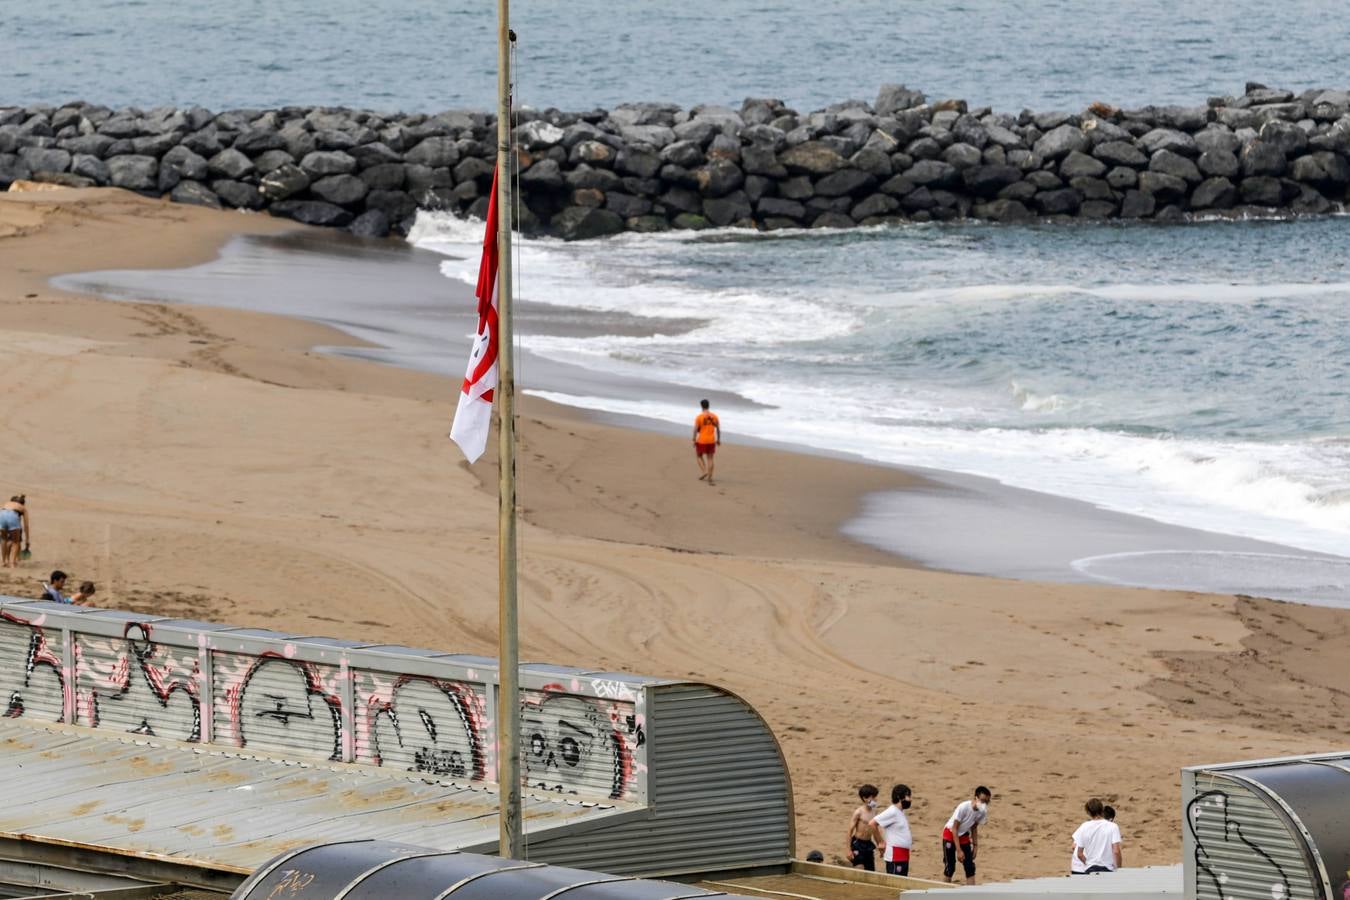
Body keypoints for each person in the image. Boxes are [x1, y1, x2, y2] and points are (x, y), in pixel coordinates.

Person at [942, 786, 991, 884]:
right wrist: (959, 850)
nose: (984, 804)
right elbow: (954, 828)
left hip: (964, 835)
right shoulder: (964, 807)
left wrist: (975, 846)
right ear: (976, 798)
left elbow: (973, 827)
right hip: (950, 834)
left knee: (970, 867)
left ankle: (971, 894)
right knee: (950, 867)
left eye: (986, 802)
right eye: (982, 800)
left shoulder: (982, 812)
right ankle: (944, 891)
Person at [871, 783, 914, 876]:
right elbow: (873, 823)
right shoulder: (893, 811)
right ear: (899, 797)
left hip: (903, 855)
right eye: (908, 796)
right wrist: (880, 842)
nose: (910, 799)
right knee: (895, 886)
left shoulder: (900, 812)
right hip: (895, 856)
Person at [1071, 798, 1122, 874]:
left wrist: (1088, 864)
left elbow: (1079, 854)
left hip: (1090, 869)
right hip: (1107, 869)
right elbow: (1116, 851)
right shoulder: (1113, 826)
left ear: (1088, 812)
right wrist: (1118, 868)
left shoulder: (1084, 826)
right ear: (1101, 810)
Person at [847, 784, 880, 871]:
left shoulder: (875, 812)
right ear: (865, 798)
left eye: (875, 797)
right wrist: (848, 850)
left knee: (870, 872)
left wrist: (880, 845)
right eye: (872, 797)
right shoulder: (859, 812)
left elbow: (875, 831)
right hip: (858, 844)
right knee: (859, 870)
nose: (875, 799)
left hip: (868, 844)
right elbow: (850, 831)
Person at [692, 399, 721, 485]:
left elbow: (695, 430)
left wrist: (693, 440)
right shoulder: (715, 416)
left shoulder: (699, 417)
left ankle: (704, 471)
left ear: (701, 406)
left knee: (698, 456)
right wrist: (718, 439)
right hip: (711, 440)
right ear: (708, 405)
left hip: (702, 440)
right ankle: (710, 478)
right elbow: (718, 429)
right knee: (710, 458)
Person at [0, 495, 27, 568]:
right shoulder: (22, 508)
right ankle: (12, 563)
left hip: (1, 514)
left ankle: (3, 561)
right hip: (12, 520)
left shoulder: (7, 503)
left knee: (3, 539)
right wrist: (27, 540)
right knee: (16, 542)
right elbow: (26, 526)